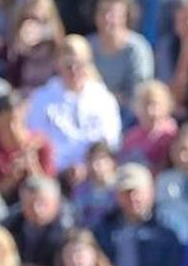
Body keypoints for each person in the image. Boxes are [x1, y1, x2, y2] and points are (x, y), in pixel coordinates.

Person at [92, 163, 184, 266]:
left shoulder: (166, 231)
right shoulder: (103, 230)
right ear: (117, 196)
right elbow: (96, 265)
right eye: (126, 192)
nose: (132, 197)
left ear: (150, 192)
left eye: (137, 191)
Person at [26, 34, 123, 177]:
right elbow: (36, 139)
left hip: (94, 174)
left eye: (80, 64)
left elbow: (110, 141)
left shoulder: (103, 99)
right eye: (68, 65)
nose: (74, 70)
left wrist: (87, 167)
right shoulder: (41, 98)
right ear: (57, 64)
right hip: (55, 174)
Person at [0, 92, 58, 206]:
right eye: (6, 124)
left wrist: (32, 166)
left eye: (16, 121)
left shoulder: (42, 145)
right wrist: (12, 177)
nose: (12, 128)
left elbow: (50, 190)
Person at [86, 0, 155, 111]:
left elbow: (139, 93)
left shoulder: (138, 48)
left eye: (113, 14)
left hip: (130, 116)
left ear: (125, 16)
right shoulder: (87, 46)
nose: (107, 19)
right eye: (103, 12)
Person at [3, 175, 75, 266]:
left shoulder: (68, 232)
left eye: (43, 204)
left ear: (56, 203)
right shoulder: (9, 228)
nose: (36, 210)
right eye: (29, 204)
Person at [3, 0, 65, 96]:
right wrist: (20, 50)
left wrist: (40, 34)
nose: (32, 25)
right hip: (23, 95)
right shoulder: (15, 43)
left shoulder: (56, 44)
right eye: (29, 18)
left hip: (49, 95)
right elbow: (13, 80)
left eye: (38, 20)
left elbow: (55, 33)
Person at [119, 81, 179, 173]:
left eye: (155, 104)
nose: (151, 111)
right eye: (145, 104)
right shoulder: (131, 136)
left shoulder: (171, 133)